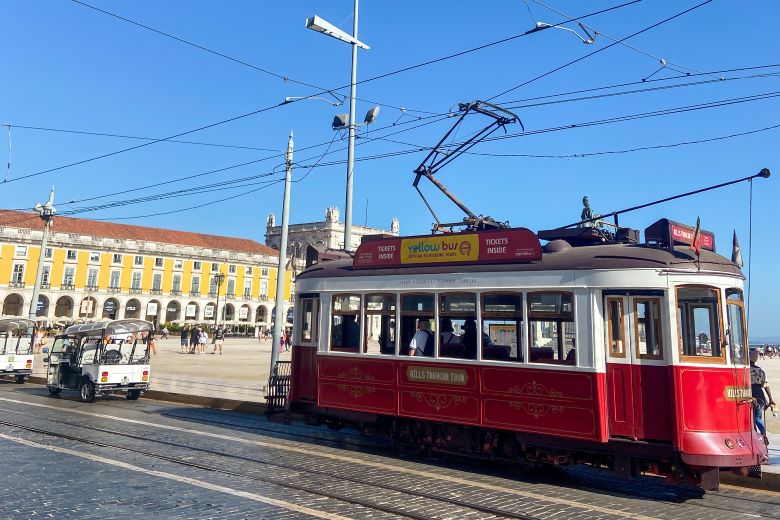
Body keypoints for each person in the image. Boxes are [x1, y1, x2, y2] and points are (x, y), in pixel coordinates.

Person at [750, 349, 776, 445]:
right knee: (758, 417)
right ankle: (762, 435)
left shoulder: (745, 370)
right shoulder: (760, 371)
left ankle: (758, 436)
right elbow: (766, 385)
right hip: (761, 395)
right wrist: (770, 399)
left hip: (750, 395)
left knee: (753, 419)